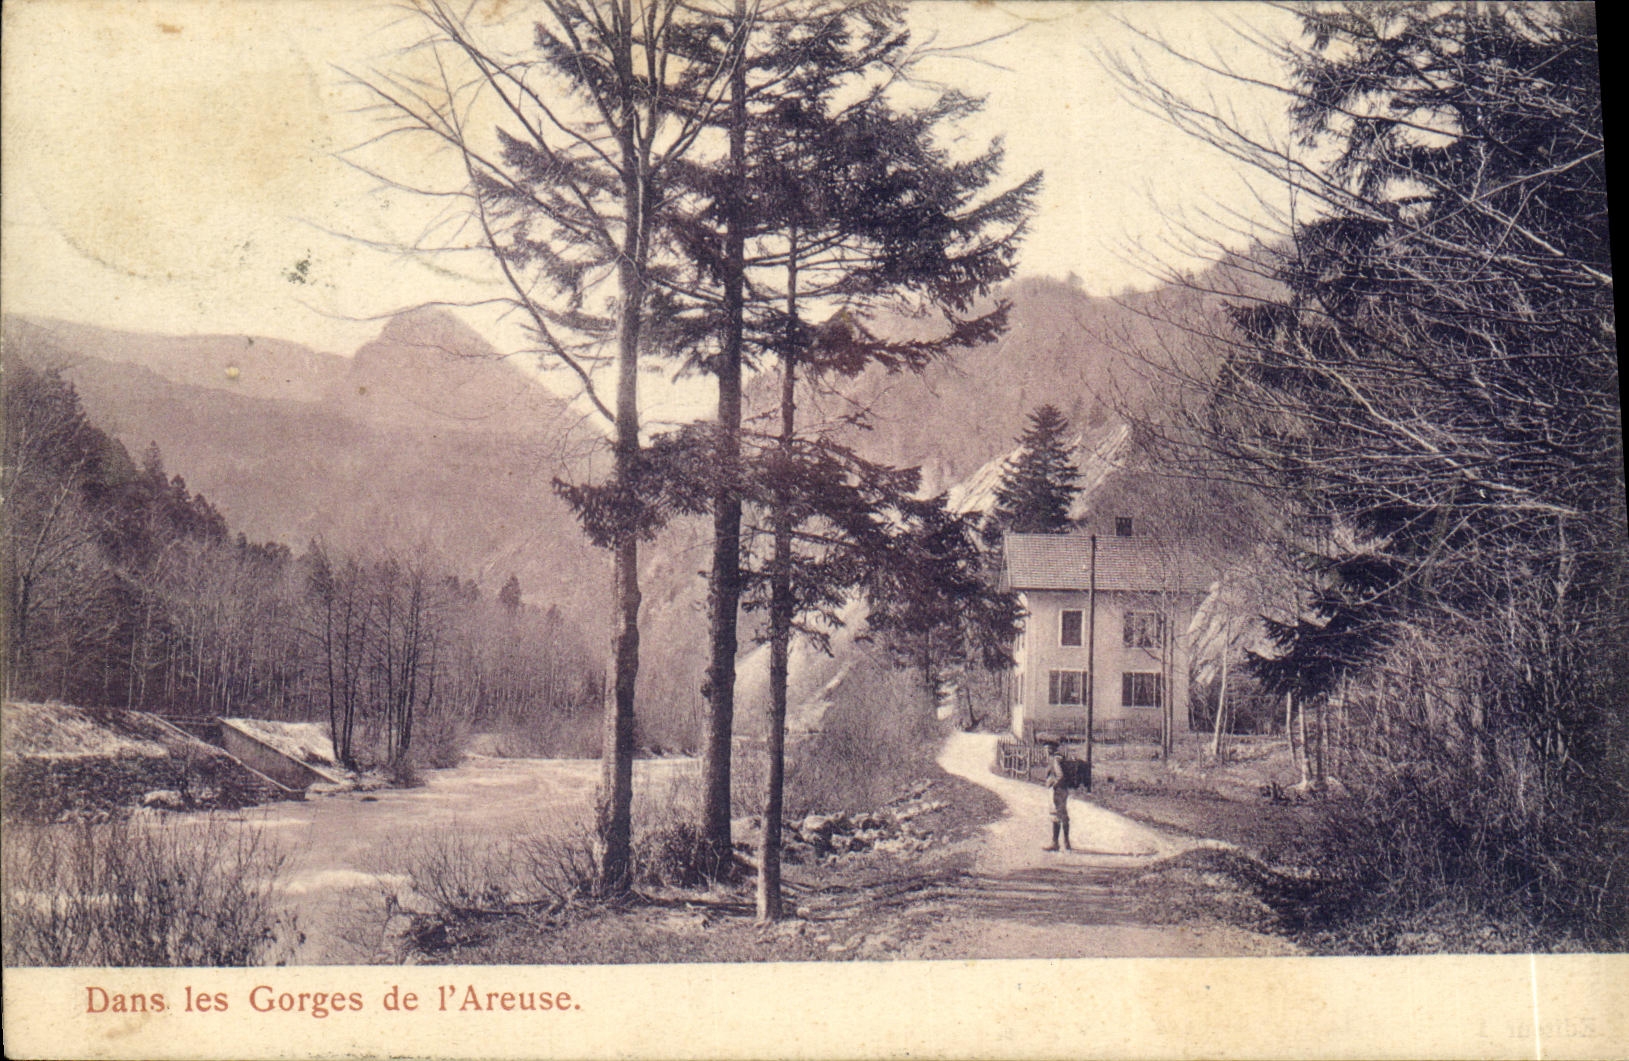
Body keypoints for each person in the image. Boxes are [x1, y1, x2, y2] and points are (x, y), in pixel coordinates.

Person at [1041, 741, 1072, 852]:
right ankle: (1066, 843)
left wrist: (1054, 785)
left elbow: (1060, 775)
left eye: (1045, 749)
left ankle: (1056, 843)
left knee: (1056, 815)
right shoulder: (1059, 759)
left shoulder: (1055, 760)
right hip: (1063, 790)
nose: (1044, 752)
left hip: (1057, 790)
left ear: (1050, 749)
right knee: (1063, 815)